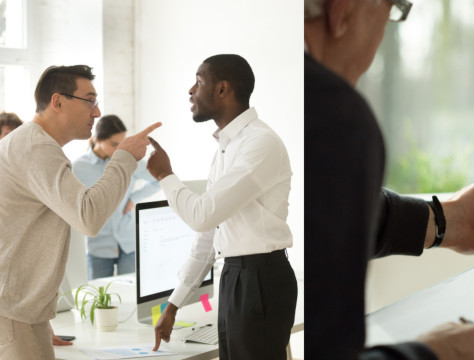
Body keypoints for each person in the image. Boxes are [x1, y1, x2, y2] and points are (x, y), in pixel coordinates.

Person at [305, 0, 474, 359]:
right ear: (343, 10)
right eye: (392, 9)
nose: (382, 35)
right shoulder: (332, 118)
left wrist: (446, 220)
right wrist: (438, 353)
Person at [0, 64, 160, 359]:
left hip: (20, 312)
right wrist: (123, 157)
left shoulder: (32, 145)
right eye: (90, 101)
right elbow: (88, 217)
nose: (96, 113)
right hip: (14, 314)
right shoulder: (36, 148)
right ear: (58, 102)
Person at [148, 54, 297, 360]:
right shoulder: (226, 149)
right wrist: (173, 305)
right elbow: (211, 234)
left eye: (199, 81)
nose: (191, 90)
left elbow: (202, 216)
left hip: (260, 279)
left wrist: (165, 174)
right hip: (233, 277)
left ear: (223, 89)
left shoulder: (260, 144)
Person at [73, 114, 160, 279]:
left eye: (122, 144)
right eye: (114, 144)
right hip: (98, 245)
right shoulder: (78, 167)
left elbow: (159, 179)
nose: (119, 150)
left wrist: (133, 199)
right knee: (99, 298)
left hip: (128, 242)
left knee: (130, 295)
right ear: (97, 139)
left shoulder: (130, 161)